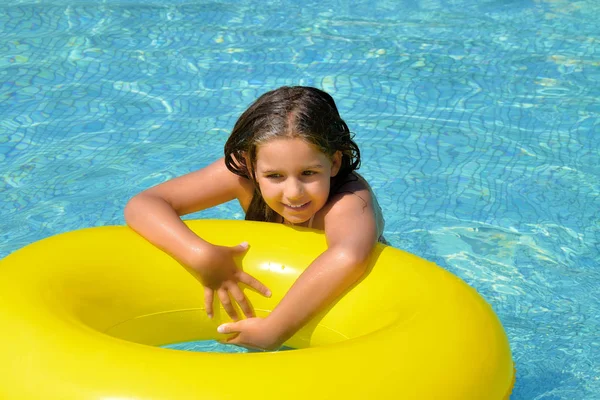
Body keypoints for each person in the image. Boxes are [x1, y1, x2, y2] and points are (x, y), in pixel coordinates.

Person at [124, 86, 385, 350]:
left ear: (335, 163)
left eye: (308, 173)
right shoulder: (243, 177)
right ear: (251, 166)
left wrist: (272, 330)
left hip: (348, 313)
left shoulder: (349, 201)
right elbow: (143, 204)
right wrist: (201, 255)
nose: (294, 193)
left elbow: (348, 256)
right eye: (275, 176)